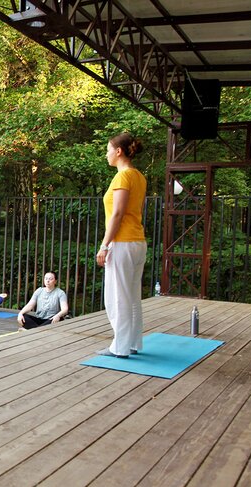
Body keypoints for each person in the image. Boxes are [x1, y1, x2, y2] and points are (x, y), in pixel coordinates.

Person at [95, 133, 147, 359]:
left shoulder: (122, 178)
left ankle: (120, 347)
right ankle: (133, 342)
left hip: (122, 243)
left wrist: (104, 245)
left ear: (118, 151)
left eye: (108, 149)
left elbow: (117, 213)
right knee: (133, 296)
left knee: (117, 297)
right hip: (137, 242)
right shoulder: (139, 177)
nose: (106, 154)